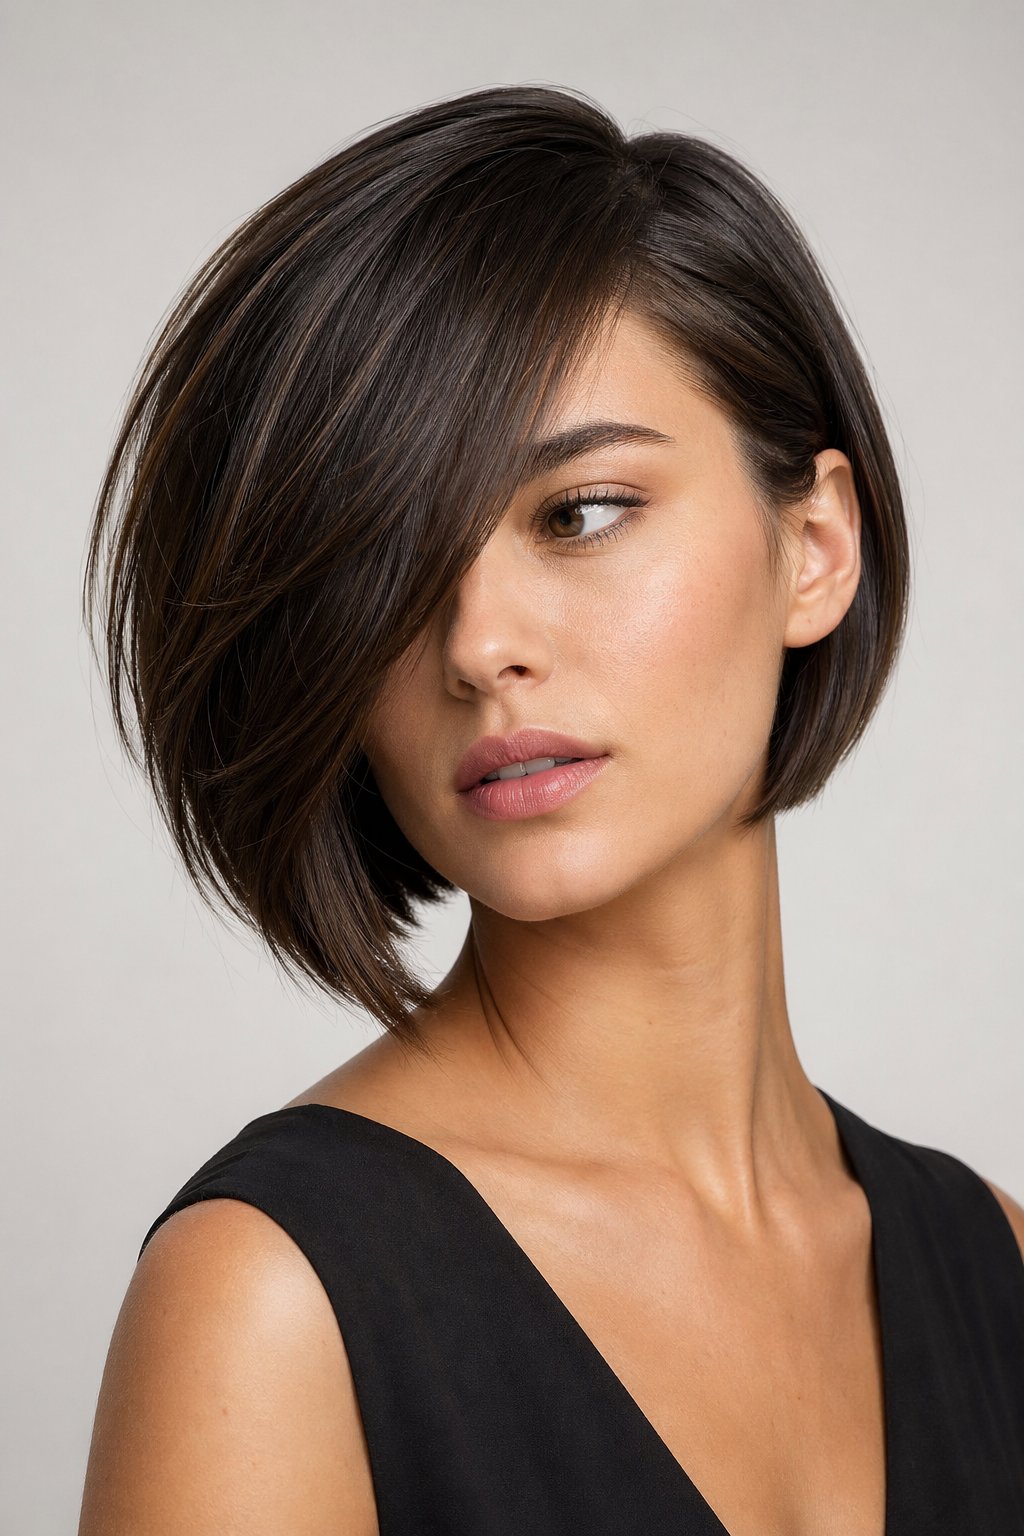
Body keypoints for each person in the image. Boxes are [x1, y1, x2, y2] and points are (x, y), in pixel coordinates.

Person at [77, 83, 1024, 1535]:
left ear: (814, 546)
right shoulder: (273, 1302)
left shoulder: (995, 1265)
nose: (475, 643)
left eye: (579, 512)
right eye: (384, 565)